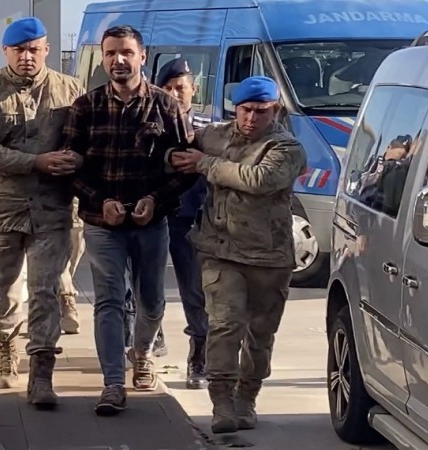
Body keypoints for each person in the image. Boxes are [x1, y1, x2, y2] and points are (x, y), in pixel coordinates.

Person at [62, 24, 195, 416]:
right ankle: (113, 383)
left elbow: (188, 168)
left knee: (151, 301)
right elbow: (69, 169)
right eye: (110, 53)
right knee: (109, 301)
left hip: (151, 224)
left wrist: (155, 200)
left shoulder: (165, 106)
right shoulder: (85, 108)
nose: (118, 60)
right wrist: (99, 201)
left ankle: (143, 354)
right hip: (102, 225)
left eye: (126, 52)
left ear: (142, 56)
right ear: (102, 59)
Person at [170, 76, 307, 433]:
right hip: (221, 252)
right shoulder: (215, 136)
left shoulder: (286, 147)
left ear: (274, 110)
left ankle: (247, 399)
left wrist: (205, 164)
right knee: (224, 326)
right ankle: (222, 403)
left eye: (261, 112)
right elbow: (181, 144)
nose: (251, 118)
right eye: (245, 110)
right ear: (236, 108)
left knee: (259, 336)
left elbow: (259, 180)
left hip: (269, 258)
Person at [0, 16, 85, 410]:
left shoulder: (71, 90)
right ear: (5, 51)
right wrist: (36, 162)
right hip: (2, 210)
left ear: (47, 50)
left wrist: (75, 160)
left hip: (53, 209)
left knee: (45, 293)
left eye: (34, 49)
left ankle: (42, 374)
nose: (27, 56)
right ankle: (5, 347)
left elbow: (85, 140)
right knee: (5, 291)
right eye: (19, 50)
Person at [155, 57, 209, 389]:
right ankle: (150, 340)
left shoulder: (208, 130)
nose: (175, 94)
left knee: (195, 291)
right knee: (146, 286)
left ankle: (199, 356)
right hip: (154, 217)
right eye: (168, 88)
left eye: (181, 88)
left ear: (194, 89)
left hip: (190, 220)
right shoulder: (149, 125)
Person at [57, 197, 83, 335]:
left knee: (74, 254)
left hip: (77, 203)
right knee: (59, 258)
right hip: (45, 202)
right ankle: (67, 302)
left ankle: (62, 299)